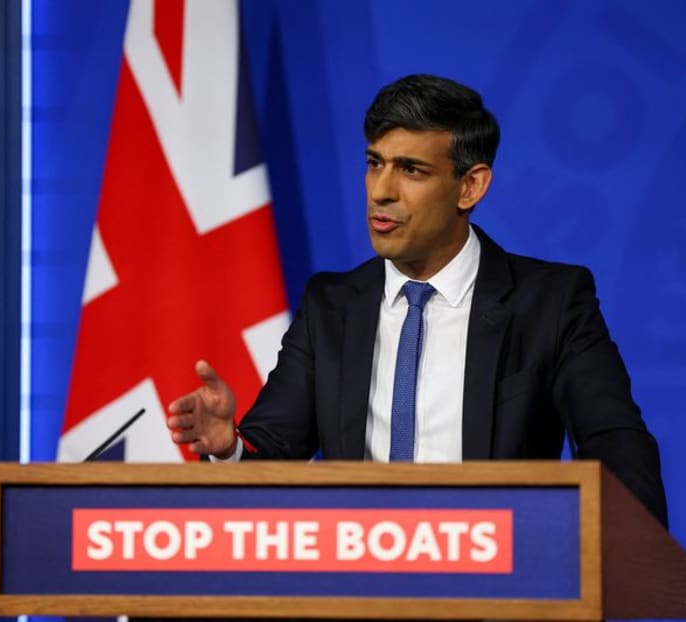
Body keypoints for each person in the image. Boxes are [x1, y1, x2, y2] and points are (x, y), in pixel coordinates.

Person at [166, 74, 668, 527]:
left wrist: (633, 553)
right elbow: (273, 452)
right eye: (374, 163)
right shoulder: (332, 306)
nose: (381, 191)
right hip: (358, 584)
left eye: (411, 170)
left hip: (500, 583)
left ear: (469, 186)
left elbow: (613, 440)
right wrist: (229, 446)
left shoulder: (550, 302)